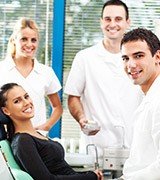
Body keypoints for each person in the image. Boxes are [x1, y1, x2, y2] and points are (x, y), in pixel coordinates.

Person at [64, 0, 142, 158]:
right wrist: (82, 119)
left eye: (118, 19)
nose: (112, 24)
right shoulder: (85, 58)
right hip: (97, 147)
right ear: (101, 22)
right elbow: (73, 97)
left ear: (128, 22)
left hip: (134, 145)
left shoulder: (139, 59)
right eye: (108, 19)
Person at [0, 83, 104, 180]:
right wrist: (90, 177)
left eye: (26, 97)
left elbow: (62, 171)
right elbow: (46, 179)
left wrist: (89, 175)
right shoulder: (23, 140)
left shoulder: (35, 134)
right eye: (17, 101)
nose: (26, 102)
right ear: (6, 111)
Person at [0, 17, 63, 131]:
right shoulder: (2, 69)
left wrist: (46, 126)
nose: (29, 44)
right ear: (14, 40)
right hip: (6, 140)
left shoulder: (46, 72)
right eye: (24, 39)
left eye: (33, 40)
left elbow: (57, 107)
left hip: (37, 138)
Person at [120, 28, 160, 179]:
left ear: (158, 56)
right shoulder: (147, 96)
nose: (130, 64)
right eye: (125, 58)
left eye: (138, 56)